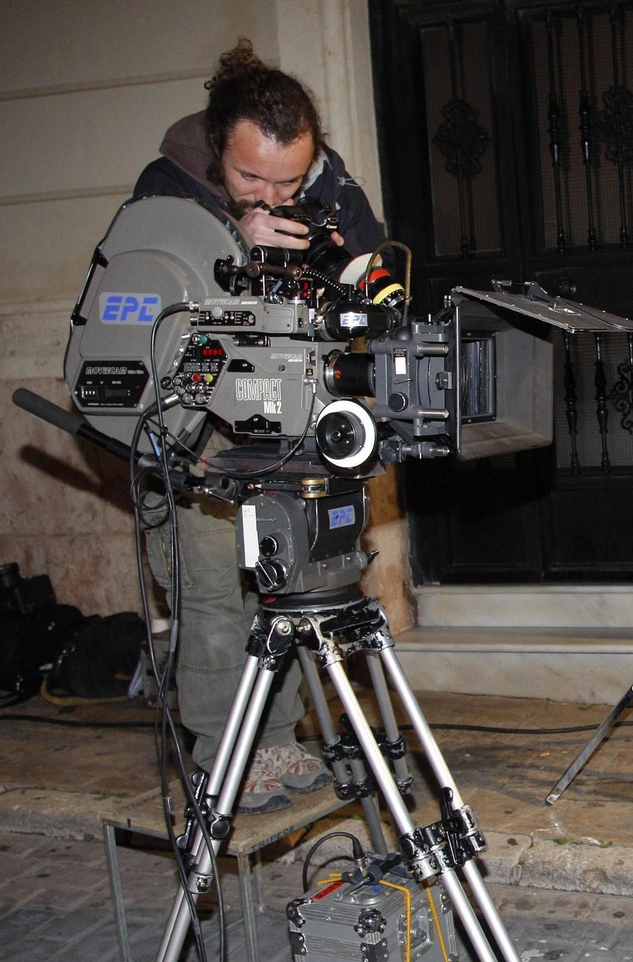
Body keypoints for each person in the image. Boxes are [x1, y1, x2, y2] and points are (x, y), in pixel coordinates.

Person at [132, 40, 384, 813]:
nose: (273, 195)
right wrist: (233, 243)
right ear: (218, 149)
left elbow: (375, 280)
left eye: (289, 180)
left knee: (292, 582)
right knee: (213, 591)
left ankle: (279, 741)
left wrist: (360, 274)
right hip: (193, 430)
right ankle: (228, 752)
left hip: (286, 431)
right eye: (251, 178)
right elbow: (146, 314)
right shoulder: (166, 191)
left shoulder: (330, 191)